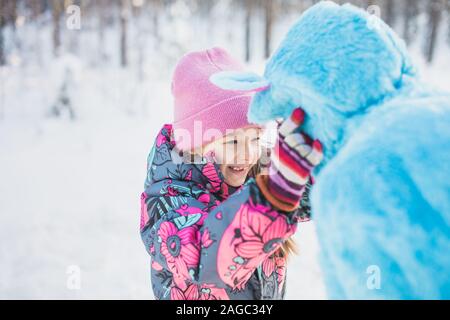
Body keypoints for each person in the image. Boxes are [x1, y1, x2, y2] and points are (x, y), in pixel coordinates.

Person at [140, 47, 323, 300]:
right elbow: (205, 256)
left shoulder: (256, 165)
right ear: (194, 146)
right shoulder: (168, 197)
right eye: (232, 143)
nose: (247, 154)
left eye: (256, 138)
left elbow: (314, 194)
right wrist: (274, 197)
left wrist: (318, 149)